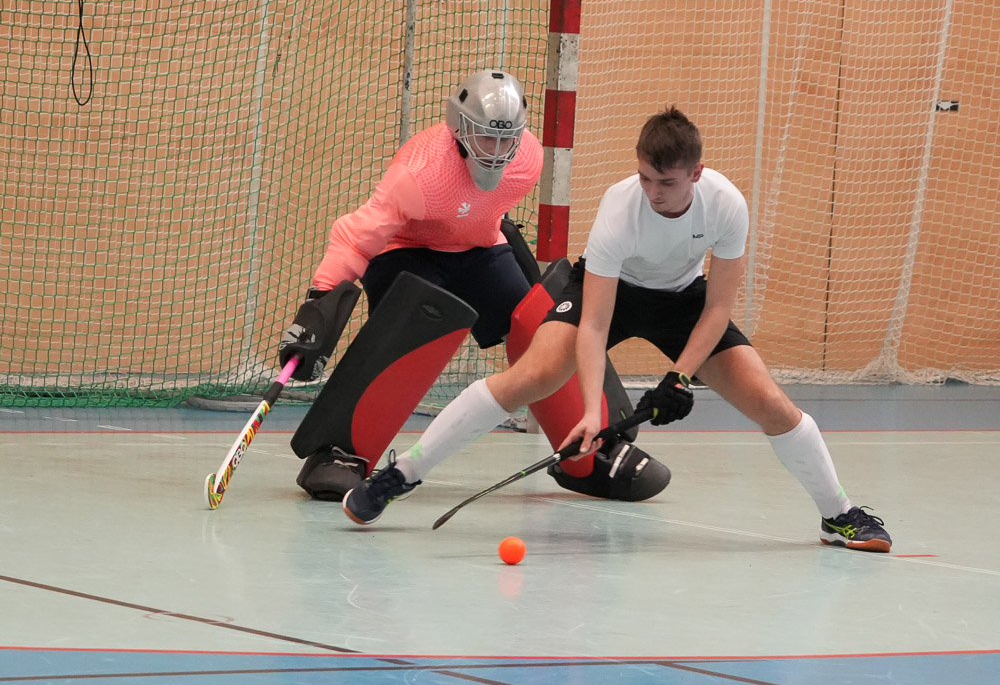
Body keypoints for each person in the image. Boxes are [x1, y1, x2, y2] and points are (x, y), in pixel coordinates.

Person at [343, 105, 893, 554]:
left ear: (696, 174)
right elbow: (596, 323)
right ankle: (402, 475)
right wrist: (589, 413)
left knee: (771, 403)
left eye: (667, 182)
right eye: (646, 177)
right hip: (608, 292)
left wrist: (679, 378)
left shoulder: (727, 206)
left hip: (684, 302)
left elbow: (718, 307)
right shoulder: (620, 209)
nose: (654, 192)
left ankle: (838, 514)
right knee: (530, 377)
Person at [277, 69, 669, 503]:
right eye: (486, 138)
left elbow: (486, 209)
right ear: (459, 129)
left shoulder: (529, 159)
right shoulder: (420, 173)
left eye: (507, 140)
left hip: (479, 250)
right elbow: (357, 237)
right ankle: (339, 453)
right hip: (405, 251)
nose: (498, 152)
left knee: (546, 327)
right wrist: (320, 303)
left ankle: (591, 454)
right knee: (408, 333)